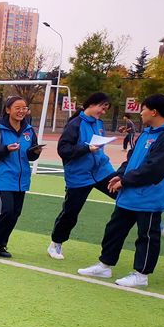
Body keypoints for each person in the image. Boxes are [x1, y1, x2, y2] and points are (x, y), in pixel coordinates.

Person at [78, 94, 164, 288]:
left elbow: (154, 169)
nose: (140, 113)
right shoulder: (147, 133)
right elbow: (132, 159)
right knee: (114, 230)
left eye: (143, 109)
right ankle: (104, 265)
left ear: (154, 112)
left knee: (147, 236)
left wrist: (125, 181)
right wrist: (120, 174)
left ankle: (141, 274)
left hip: (149, 198)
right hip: (129, 196)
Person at [47, 92, 116, 260]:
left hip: (102, 172)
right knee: (71, 212)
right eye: (102, 107)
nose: (103, 112)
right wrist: (86, 149)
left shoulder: (99, 123)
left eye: (106, 108)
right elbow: (63, 150)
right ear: (91, 104)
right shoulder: (75, 124)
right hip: (79, 176)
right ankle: (56, 243)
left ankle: (154, 224)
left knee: (125, 195)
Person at [0, 97, 42, 258]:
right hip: (3, 175)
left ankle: (0, 244)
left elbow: (30, 157)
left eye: (24, 108)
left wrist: (34, 153)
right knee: (5, 210)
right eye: (17, 107)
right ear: (8, 110)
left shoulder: (28, 130)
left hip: (21, 177)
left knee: (14, 213)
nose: (22, 111)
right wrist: (6, 149)